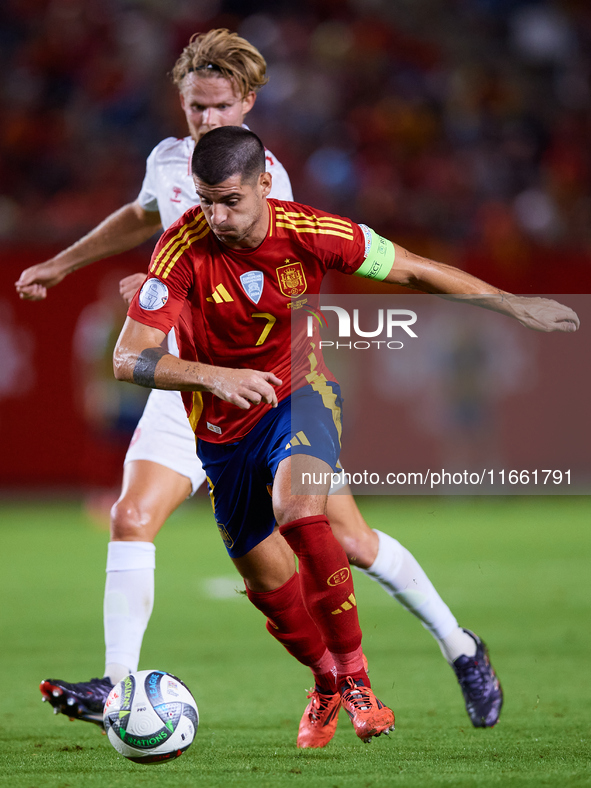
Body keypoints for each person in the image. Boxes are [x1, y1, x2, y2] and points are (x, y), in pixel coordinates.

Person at [17, 30, 503, 739]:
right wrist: (65, 264)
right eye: (194, 108)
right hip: (181, 379)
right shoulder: (168, 161)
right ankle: (121, 689)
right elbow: (143, 215)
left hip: (263, 385)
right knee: (133, 518)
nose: (206, 121)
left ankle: (458, 645)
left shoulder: (262, 180)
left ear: (246, 102)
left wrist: (165, 288)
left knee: (349, 542)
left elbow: (278, 287)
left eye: (218, 107)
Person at [112, 126, 578, 747]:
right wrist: (212, 376)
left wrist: (512, 303)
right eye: (204, 200)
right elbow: (127, 359)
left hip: (297, 398)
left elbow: (412, 271)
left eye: (230, 200)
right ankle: (327, 681)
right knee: (273, 591)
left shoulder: (314, 232)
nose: (216, 216)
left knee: (304, 514)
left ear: (264, 185)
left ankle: (362, 681)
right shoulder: (179, 249)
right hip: (220, 433)